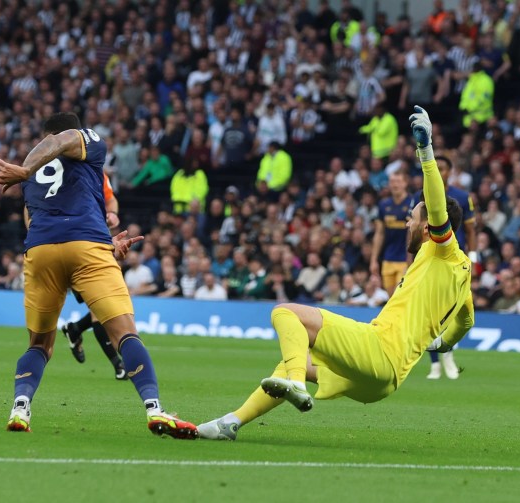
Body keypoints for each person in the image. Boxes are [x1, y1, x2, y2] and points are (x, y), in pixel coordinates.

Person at [197, 106, 474, 441]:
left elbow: (436, 204)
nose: (406, 222)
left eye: (412, 218)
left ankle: (296, 382)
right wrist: (442, 343)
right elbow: (466, 322)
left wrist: (425, 151)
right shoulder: (462, 273)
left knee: (285, 313)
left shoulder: (441, 249)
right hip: (383, 383)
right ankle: (231, 423)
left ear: (430, 225)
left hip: (377, 351)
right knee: (293, 356)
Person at [0, 112, 197, 439]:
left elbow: (33, 221)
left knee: (40, 344)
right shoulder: (85, 141)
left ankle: (20, 407)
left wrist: (103, 239)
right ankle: (155, 409)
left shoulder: (32, 174)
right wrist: (97, 243)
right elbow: (61, 140)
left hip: (41, 251)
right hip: (86, 248)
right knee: (124, 333)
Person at [413, 155, 475, 380]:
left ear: (450, 172)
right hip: (432, 259)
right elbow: (414, 229)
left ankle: (446, 353)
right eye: (435, 168)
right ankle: (436, 364)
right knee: (434, 312)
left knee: (455, 313)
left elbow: (470, 230)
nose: (439, 172)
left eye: (443, 169)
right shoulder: (421, 197)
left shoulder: (462, 197)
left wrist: (474, 257)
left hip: (455, 260)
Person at [62, 174, 129, 380]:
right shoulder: (62, 175)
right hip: (71, 247)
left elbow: (111, 199)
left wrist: (112, 213)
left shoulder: (98, 174)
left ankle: (74, 330)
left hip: (98, 245)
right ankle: (118, 365)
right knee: (99, 310)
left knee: (100, 309)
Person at [371, 172, 414, 295]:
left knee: (399, 295)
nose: (395, 185)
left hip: (405, 259)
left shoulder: (412, 203)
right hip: (388, 258)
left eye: (398, 181)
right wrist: (373, 260)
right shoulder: (384, 205)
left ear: (405, 183)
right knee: (391, 298)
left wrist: (410, 259)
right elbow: (379, 233)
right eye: (392, 182)